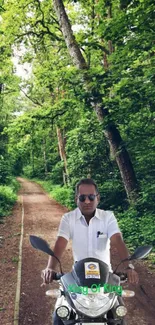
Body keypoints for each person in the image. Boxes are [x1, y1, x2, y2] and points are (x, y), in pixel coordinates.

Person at [41, 178, 139, 324]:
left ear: (97, 198)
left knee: (119, 317)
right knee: (60, 316)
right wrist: (50, 268)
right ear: (76, 199)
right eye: (82, 197)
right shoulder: (68, 218)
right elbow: (60, 244)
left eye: (91, 197)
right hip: (78, 279)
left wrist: (128, 267)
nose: (87, 201)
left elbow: (117, 240)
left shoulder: (108, 217)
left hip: (107, 280)